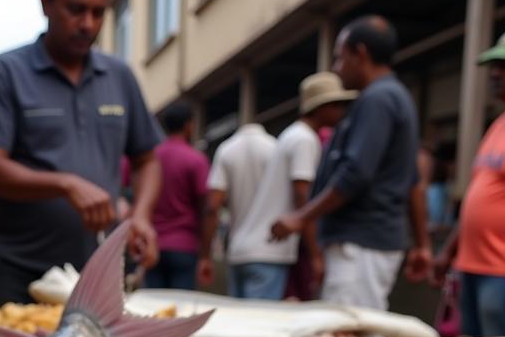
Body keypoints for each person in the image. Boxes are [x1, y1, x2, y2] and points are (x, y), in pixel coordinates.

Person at [0, 0, 162, 307]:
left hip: (94, 275)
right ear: (46, 2)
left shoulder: (119, 77)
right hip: (14, 271)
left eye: (98, 12)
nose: (87, 23)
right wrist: (65, 184)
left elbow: (147, 159)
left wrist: (142, 216)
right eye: (76, 9)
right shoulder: (6, 72)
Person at [271, 16, 432, 310]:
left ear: (360, 53)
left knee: (347, 335)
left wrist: (301, 217)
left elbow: (356, 173)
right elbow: (412, 183)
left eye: (339, 58)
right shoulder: (391, 97)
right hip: (367, 241)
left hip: (361, 243)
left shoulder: (379, 99)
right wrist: (422, 244)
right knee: (349, 331)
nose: (336, 67)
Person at [432, 23, 505, 337]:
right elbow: (481, 193)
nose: (495, 73)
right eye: (493, 66)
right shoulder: (503, 122)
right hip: (473, 267)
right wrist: (449, 251)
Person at [230, 72, 357, 300]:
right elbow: (302, 195)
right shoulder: (305, 140)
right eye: (337, 105)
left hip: (247, 249)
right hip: (268, 253)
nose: (341, 111)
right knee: (259, 329)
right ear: (320, 107)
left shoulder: (291, 135)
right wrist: (316, 255)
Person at [138, 102, 209, 290]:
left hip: (153, 244)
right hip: (184, 245)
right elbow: (206, 207)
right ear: (189, 125)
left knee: (152, 309)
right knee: (181, 308)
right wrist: (205, 252)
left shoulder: (150, 159)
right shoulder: (195, 159)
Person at [198, 123, 277, 293]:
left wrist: (205, 255)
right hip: (270, 250)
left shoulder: (226, 150)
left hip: (237, 251)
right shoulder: (274, 148)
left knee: (240, 316)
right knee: (262, 317)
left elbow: (213, 207)